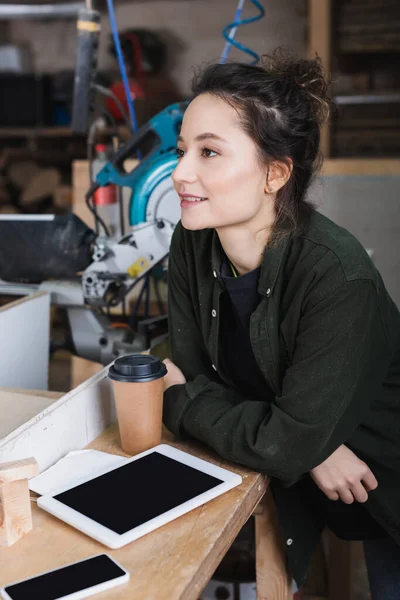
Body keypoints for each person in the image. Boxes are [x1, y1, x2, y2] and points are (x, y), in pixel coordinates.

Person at [161, 50, 400, 599]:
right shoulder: (192, 240)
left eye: (209, 152)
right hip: (307, 468)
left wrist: (181, 402)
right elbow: (196, 369)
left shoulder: (337, 275)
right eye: (182, 151)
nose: (179, 173)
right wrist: (312, 444)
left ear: (276, 172)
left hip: (386, 470)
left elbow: (187, 391)